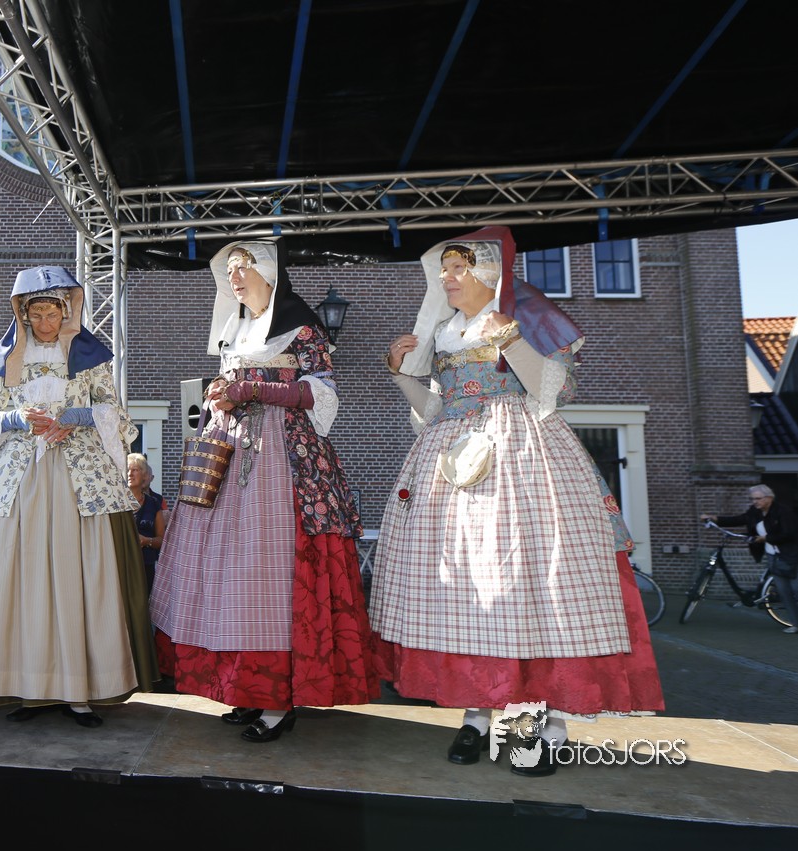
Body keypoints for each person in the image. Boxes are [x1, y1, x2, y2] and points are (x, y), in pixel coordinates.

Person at [371, 226, 664, 776]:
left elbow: (556, 393)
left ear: (488, 271)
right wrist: (400, 376)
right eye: (444, 268)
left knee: (528, 584)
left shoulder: (525, 315)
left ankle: (547, 727)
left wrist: (511, 340)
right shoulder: (444, 332)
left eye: (458, 267)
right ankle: (477, 716)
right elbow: (433, 413)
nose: (447, 277)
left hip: (521, 454)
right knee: (465, 590)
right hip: (452, 462)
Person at [151, 240, 378, 743]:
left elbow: (324, 394)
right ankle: (248, 690)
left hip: (283, 458)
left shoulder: (303, 329)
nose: (234, 278)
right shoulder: (234, 334)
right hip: (232, 455)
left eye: (243, 268)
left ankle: (278, 700)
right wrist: (219, 396)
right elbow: (228, 390)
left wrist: (254, 390)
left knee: (268, 573)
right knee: (231, 576)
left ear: (270, 273)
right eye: (229, 270)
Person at [0, 266, 158, 727]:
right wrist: (16, 419)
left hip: (78, 478)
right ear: (23, 314)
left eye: (52, 312)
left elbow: (116, 415)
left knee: (78, 574)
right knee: (19, 575)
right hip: (18, 479)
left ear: (66, 312)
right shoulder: (3, 361)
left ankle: (80, 691)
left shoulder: (90, 356)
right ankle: (29, 686)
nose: (44, 321)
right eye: (36, 313)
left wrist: (76, 417)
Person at [703, 484, 798, 633]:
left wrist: (766, 538)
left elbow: (790, 534)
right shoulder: (755, 512)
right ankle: (795, 624)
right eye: (753, 499)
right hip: (773, 556)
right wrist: (716, 519)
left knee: (795, 589)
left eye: (758, 499)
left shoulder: (783, 512)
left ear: (769, 498)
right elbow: (740, 519)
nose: (755, 502)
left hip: (791, 556)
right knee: (784, 592)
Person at [126, 453, 165, 591]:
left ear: (144, 475)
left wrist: (147, 541)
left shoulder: (154, 504)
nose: (130, 474)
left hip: (146, 567)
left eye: (135, 470)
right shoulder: (117, 504)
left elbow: (162, 540)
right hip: (123, 566)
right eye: (127, 470)